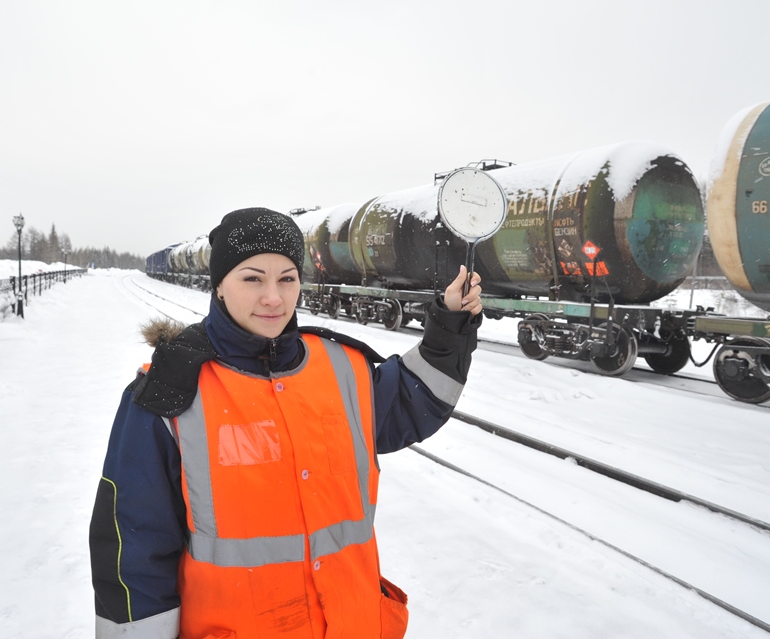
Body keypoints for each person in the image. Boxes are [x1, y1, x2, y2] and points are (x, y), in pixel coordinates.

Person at [89, 207, 483, 639]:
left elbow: (413, 401)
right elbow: (134, 552)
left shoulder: (343, 368)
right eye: (252, 278)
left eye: (287, 278)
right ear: (219, 284)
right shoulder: (172, 387)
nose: (273, 297)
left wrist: (451, 324)